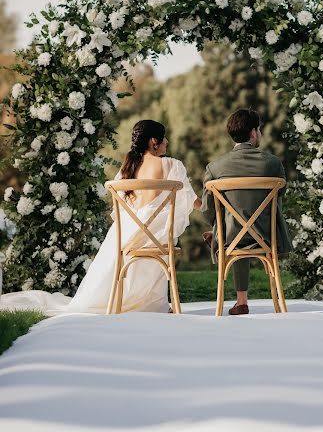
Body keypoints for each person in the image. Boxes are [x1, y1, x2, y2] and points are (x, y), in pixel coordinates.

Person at [1, 120, 201, 315]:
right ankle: (152, 303)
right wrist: (211, 204)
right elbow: (190, 199)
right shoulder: (171, 165)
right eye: (163, 137)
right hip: (155, 236)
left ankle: (134, 300)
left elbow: (125, 206)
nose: (167, 141)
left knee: (137, 232)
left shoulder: (127, 168)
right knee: (165, 228)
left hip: (127, 233)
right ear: (153, 141)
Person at [201, 108, 292, 315]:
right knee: (246, 223)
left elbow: (207, 212)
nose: (259, 133)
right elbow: (281, 196)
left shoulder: (215, 168)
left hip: (231, 238)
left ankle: (241, 301)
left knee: (233, 226)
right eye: (259, 130)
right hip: (267, 237)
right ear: (253, 133)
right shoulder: (272, 164)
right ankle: (273, 301)